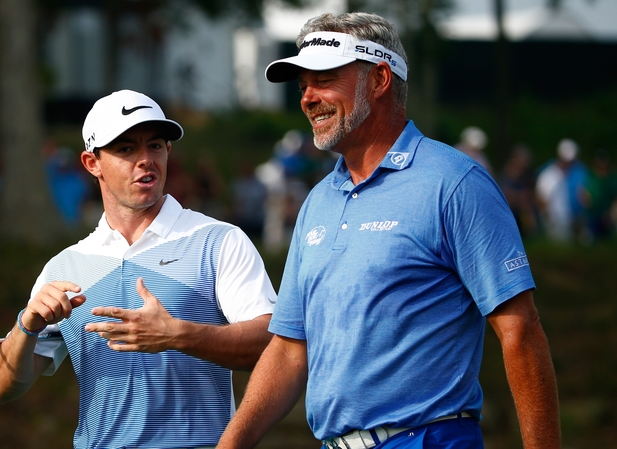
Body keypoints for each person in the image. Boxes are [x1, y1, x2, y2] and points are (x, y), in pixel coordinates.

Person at [216, 12, 559, 449]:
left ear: (379, 79)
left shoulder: (453, 183)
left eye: (323, 78)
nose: (307, 98)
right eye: (302, 85)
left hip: (428, 438)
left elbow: (520, 331)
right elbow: (288, 349)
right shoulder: (318, 201)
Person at [0, 89, 276, 449]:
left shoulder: (219, 241)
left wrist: (177, 335)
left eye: (155, 145)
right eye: (126, 150)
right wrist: (25, 326)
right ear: (92, 163)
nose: (145, 160)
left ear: (168, 151)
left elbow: (273, 344)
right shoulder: (64, 267)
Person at [535, 138, 589, 243]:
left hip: (575, 221)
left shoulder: (578, 173)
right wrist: (549, 220)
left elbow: (584, 196)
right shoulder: (548, 175)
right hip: (556, 223)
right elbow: (541, 198)